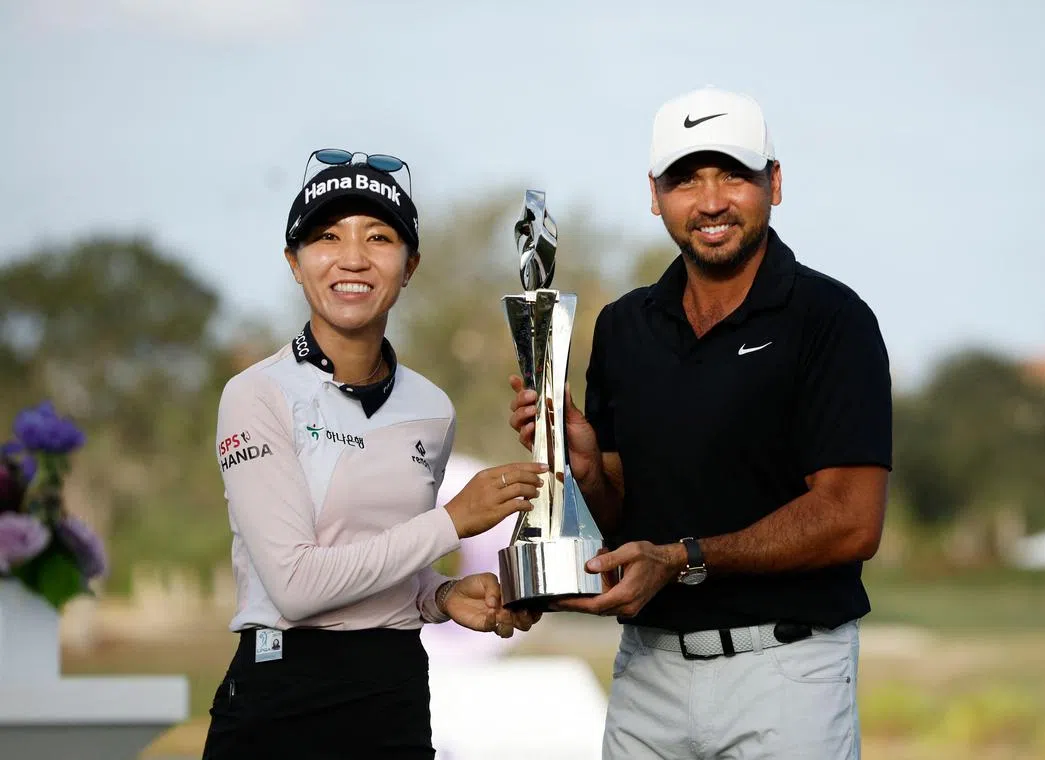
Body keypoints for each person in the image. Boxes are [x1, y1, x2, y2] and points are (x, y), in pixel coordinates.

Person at [508, 87, 892, 758]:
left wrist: (684, 559)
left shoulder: (831, 319)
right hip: (649, 672)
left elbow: (852, 518)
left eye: (732, 175)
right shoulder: (625, 326)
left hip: (786, 672)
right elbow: (619, 510)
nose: (710, 201)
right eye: (685, 179)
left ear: (773, 182)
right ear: (655, 194)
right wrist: (590, 469)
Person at [203, 149, 545, 760]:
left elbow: (373, 556)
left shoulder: (432, 409)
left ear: (410, 265)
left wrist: (436, 596)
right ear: (294, 262)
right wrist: (451, 522)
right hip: (280, 699)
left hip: (395, 695)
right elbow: (297, 587)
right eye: (327, 237)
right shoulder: (257, 394)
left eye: (379, 237)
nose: (353, 258)